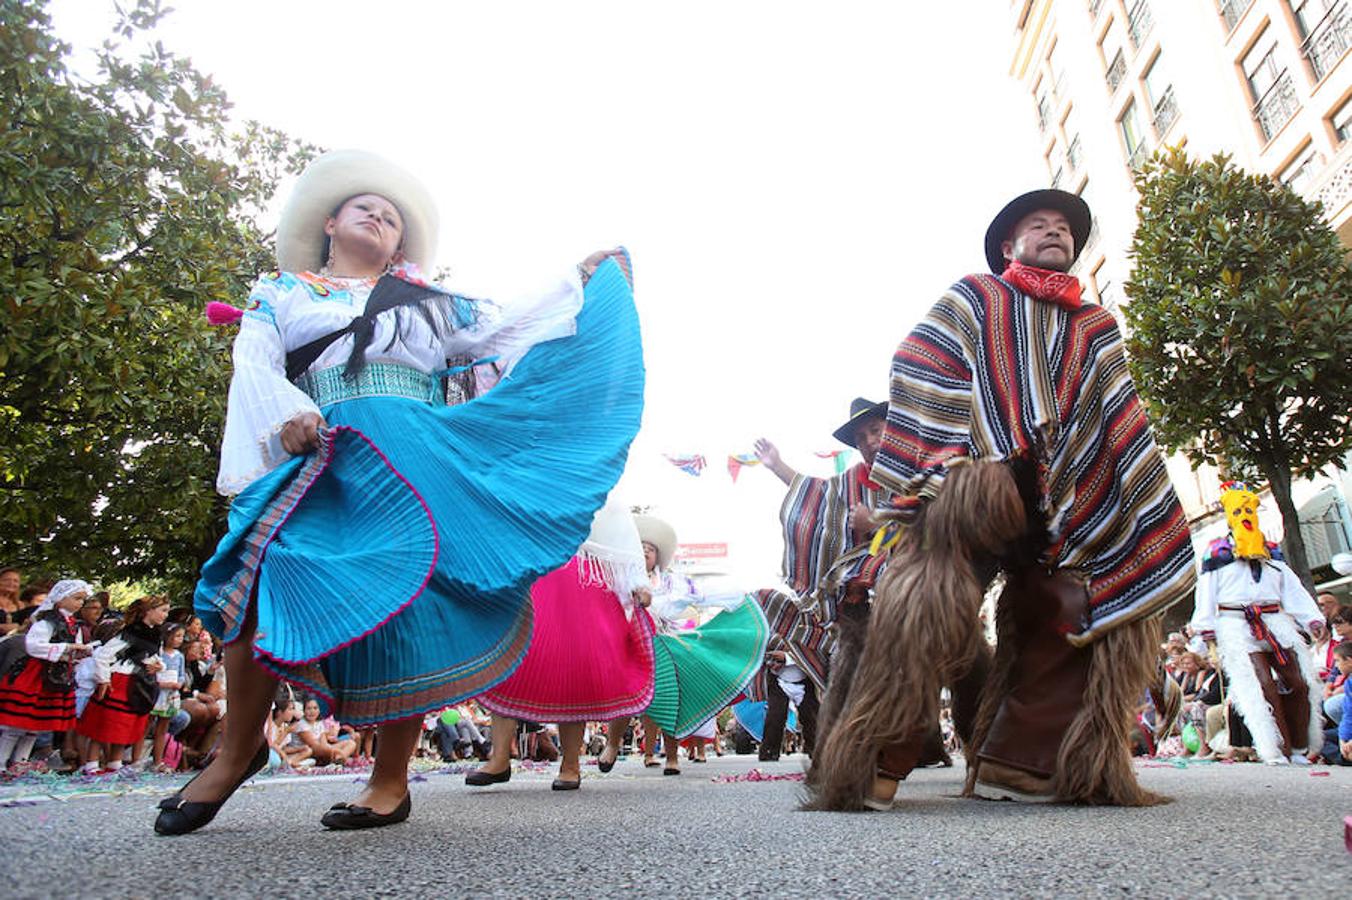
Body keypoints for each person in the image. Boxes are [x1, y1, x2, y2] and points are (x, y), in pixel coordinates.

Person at [155, 149, 642, 835]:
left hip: (413, 448)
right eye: (365, 208)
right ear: (329, 222)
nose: (380, 218)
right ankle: (237, 753)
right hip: (321, 442)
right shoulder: (282, 294)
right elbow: (255, 364)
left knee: (412, 603)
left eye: (391, 218)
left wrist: (577, 281)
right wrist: (287, 415)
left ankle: (389, 782)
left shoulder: (428, 305)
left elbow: (505, 324)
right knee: (256, 579)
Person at [807, 188, 1196, 811]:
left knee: (1071, 602)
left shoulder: (1094, 324)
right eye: (1038, 225)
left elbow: (1117, 413)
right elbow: (919, 357)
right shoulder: (976, 297)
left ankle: (1021, 762)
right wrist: (953, 448)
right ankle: (876, 760)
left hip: (1071, 491)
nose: (1055, 233)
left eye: (1065, 227)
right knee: (930, 604)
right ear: (1007, 246)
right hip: (978, 482)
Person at [472, 499, 656, 790]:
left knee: (575, 670)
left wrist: (638, 583)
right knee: (511, 660)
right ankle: (499, 759)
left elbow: (621, 537)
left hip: (587, 581)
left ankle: (570, 763)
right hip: (534, 570)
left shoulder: (604, 494)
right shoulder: (533, 473)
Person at [1191, 482, 1326, 764]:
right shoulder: (1216, 552)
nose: (1245, 516)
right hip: (1236, 625)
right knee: (1260, 684)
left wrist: (1311, 618)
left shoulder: (1272, 551)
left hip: (1275, 621)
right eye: (1239, 510)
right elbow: (1206, 591)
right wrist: (1206, 626)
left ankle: (1300, 747)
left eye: (1249, 510)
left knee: (1299, 682)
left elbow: (1292, 588)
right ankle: (1276, 748)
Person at [634, 514, 769, 776]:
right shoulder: (619, 578)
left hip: (665, 646)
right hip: (630, 645)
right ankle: (616, 747)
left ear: (657, 557)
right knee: (632, 699)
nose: (644, 553)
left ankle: (671, 757)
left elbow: (701, 593)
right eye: (640, 548)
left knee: (669, 699)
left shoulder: (671, 583)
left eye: (649, 549)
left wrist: (735, 598)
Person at [0, 579, 95, 768]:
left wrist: (78, 653)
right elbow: (33, 645)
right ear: (60, 599)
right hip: (36, 675)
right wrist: (66, 647)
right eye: (76, 598)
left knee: (35, 726)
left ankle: (20, 762)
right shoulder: (47, 621)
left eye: (82, 600)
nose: (80, 603)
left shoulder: (73, 624)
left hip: (56, 676)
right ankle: (2, 762)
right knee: (17, 725)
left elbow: (69, 649)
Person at [77, 596, 168, 775]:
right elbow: (103, 655)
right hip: (121, 681)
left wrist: (159, 666)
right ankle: (92, 764)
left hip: (141, 683)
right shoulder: (130, 632)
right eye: (162, 610)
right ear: (148, 611)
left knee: (126, 724)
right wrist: (104, 679)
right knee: (105, 723)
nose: (165, 615)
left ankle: (115, 762)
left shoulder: (156, 634)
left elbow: (157, 657)